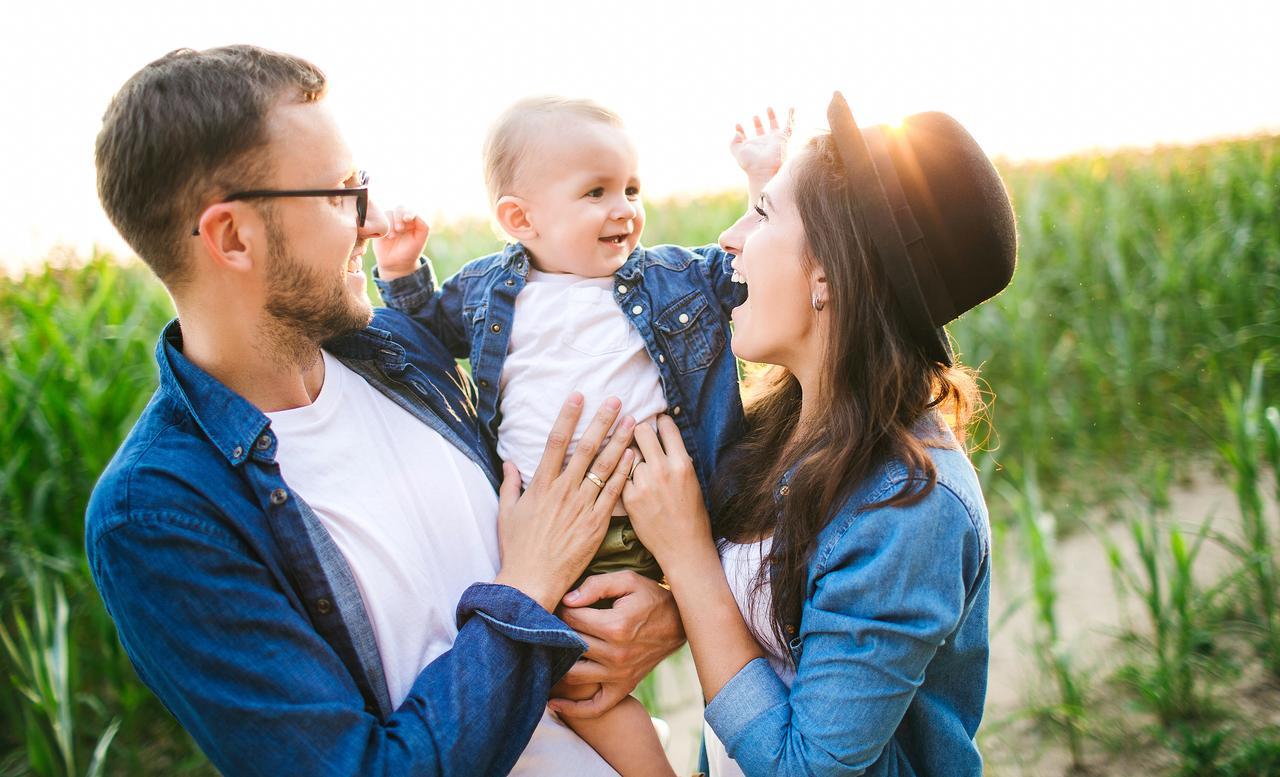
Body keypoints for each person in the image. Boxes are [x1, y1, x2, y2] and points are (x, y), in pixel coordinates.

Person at [85, 45, 683, 776]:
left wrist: (663, 610)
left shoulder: (400, 354)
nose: (369, 221)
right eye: (340, 194)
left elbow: (586, 559)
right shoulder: (159, 516)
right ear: (232, 236)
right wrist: (524, 589)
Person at [622, 94, 1017, 776]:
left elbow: (804, 767)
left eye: (762, 213)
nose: (727, 237)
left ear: (828, 275)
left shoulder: (911, 509)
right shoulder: (785, 425)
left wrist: (687, 561)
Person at [372, 95, 752, 776]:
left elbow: (742, 272)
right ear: (521, 218)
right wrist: (401, 272)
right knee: (568, 687)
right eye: (596, 191)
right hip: (535, 525)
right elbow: (427, 334)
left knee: (579, 684)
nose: (624, 208)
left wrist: (763, 184)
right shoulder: (493, 291)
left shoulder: (664, 278)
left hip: (633, 518)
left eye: (631, 187)